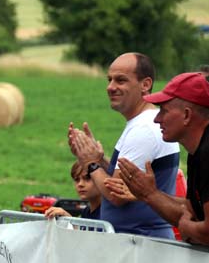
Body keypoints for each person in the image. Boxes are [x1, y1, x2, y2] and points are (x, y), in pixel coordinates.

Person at [112, 72, 209, 246]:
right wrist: (149, 194)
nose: (156, 119)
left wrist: (186, 229)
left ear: (186, 115)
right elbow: (193, 209)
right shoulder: (200, 150)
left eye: (164, 111)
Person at [68, 52, 180, 239]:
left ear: (145, 84)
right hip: (136, 241)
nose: (111, 87)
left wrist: (91, 164)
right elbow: (125, 180)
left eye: (121, 80)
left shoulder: (144, 129)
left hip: (140, 243)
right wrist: (97, 159)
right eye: (109, 80)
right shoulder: (141, 123)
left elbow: (116, 194)